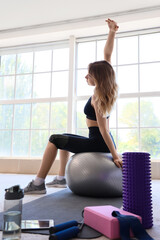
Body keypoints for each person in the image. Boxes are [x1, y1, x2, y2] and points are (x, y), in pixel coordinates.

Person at [24, 18, 122, 195]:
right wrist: (112, 32)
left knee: (55, 139)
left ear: (98, 78)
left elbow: (103, 130)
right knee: (64, 137)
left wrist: (115, 155)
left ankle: (38, 183)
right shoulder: (106, 89)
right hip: (99, 141)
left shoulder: (98, 97)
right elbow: (107, 56)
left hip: (98, 142)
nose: (86, 77)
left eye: (89, 75)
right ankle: (61, 178)